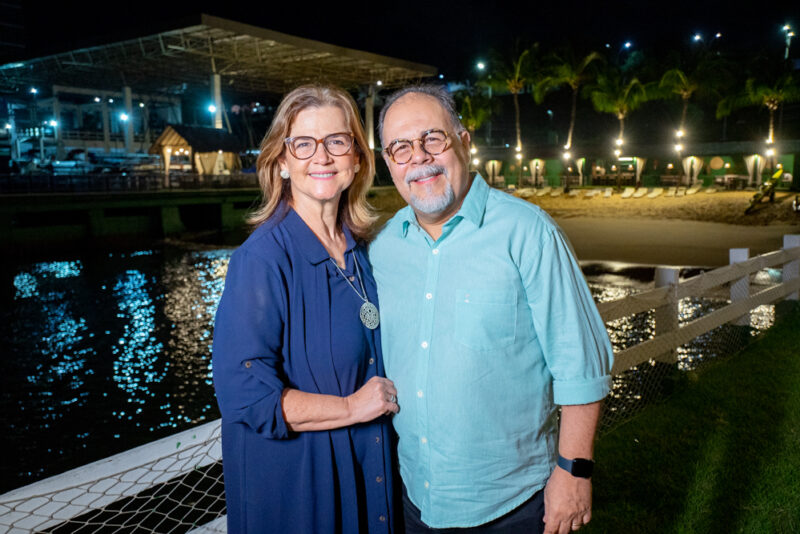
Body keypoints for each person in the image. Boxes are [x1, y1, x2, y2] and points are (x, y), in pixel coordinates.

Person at [369, 84, 614, 534]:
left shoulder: (528, 232)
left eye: (433, 139)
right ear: (389, 164)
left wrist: (574, 471)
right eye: (400, 148)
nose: (419, 157)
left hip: (513, 504)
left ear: (464, 142)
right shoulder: (383, 249)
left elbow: (582, 364)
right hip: (415, 500)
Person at [212, 84, 399, 533]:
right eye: (303, 143)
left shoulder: (360, 254)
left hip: (364, 480)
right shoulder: (261, 260)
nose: (323, 157)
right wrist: (352, 408)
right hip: (301, 499)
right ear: (281, 162)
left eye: (337, 141)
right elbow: (246, 396)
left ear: (356, 159)